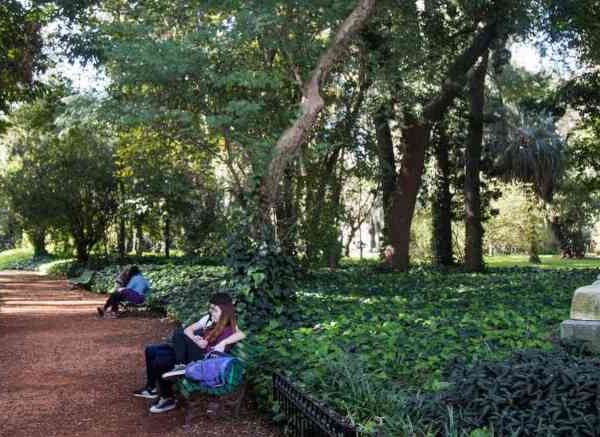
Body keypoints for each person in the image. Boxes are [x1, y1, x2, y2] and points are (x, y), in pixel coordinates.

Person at [134, 292, 246, 413]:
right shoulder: (212, 321)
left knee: (163, 356)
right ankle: (153, 388)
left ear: (225, 311)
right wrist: (198, 340)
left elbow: (240, 334)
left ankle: (168, 397)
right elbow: (192, 333)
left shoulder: (229, 328)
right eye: (211, 309)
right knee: (152, 350)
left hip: (203, 360)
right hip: (194, 351)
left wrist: (222, 343)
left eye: (215, 310)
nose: (211, 312)